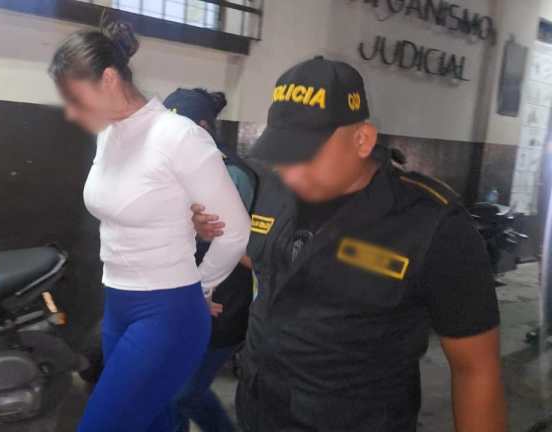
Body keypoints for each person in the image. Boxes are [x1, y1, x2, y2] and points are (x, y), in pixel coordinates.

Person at [192, 56, 506, 431]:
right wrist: (216, 234)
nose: (290, 171)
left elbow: (476, 369)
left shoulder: (433, 224)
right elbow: (271, 258)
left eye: (305, 154)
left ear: (362, 140)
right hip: (260, 413)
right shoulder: (272, 190)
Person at [48, 21, 250, 432]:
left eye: (76, 98)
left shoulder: (178, 136)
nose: (71, 112)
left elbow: (235, 231)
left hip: (167, 314)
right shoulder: (108, 137)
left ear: (109, 79)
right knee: (151, 424)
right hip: (118, 305)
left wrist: (201, 287)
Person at [162, 88, 256, 432]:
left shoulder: (231, 175)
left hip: (222, 306)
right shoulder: (178, 169)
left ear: (202, 127)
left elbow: (247, 253)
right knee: (173, 392)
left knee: (181, 394)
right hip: (184, 297)